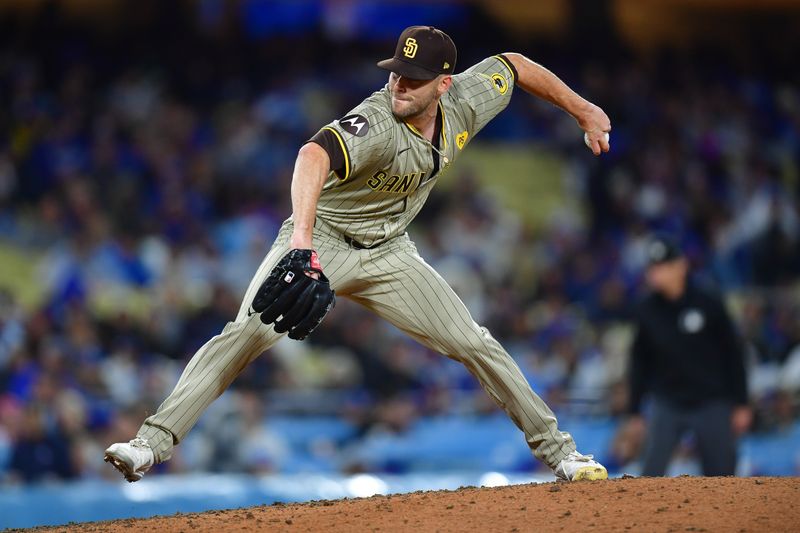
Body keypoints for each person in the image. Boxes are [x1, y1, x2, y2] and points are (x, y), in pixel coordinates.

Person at [104, 26, 612, 483]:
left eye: (413, 79)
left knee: (475, 343)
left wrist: (584, 110)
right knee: (244, 335)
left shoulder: (466, 102)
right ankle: (150, 445)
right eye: (396, 74)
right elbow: (312, 154)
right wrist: (301, 242)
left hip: (390, 253)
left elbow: (516, 65)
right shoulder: (376, 121)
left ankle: (562, 455)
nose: (399, 86)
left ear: (444, 84)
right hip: (322, 238)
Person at [626, 235, 752, 476]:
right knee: (650, 473)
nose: (655, 274)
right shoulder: (646, 310)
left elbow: (733, 354)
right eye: (653, 268)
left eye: (662, 267)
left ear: (681, 266)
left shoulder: (709, 301)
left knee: (721, 476)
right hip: (667, 402)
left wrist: (741, 402)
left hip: (711, 401)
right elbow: (639, 361)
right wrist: (634, 411)